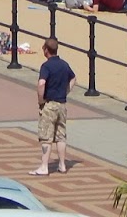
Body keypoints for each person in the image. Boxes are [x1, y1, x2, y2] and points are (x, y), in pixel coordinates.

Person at [33, 37, 76, 176]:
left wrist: (41, 100)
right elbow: (73, 78)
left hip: (50, 104)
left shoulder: (46, 66)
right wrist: (66, 91)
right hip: (62, 104)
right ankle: (62, 164)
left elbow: (41, 84)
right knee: (61, 135)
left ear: (46, 50)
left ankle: (44, 166)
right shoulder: (64, 64)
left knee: (46, 136)